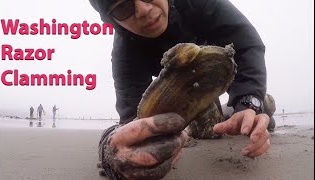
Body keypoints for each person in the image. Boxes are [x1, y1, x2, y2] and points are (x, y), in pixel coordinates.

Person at [89, 0, 276, 179]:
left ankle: (260, 104)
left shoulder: (199, 3)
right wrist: (113, 156)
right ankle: (225, 113)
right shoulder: (125, 51)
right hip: (185, 92)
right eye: (123, 8)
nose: (144, 10)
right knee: (207, 131)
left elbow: (245, 41)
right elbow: (132, 121)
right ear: (113, 20)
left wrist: (249, 101)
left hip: (214, 72)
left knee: (251, 104)